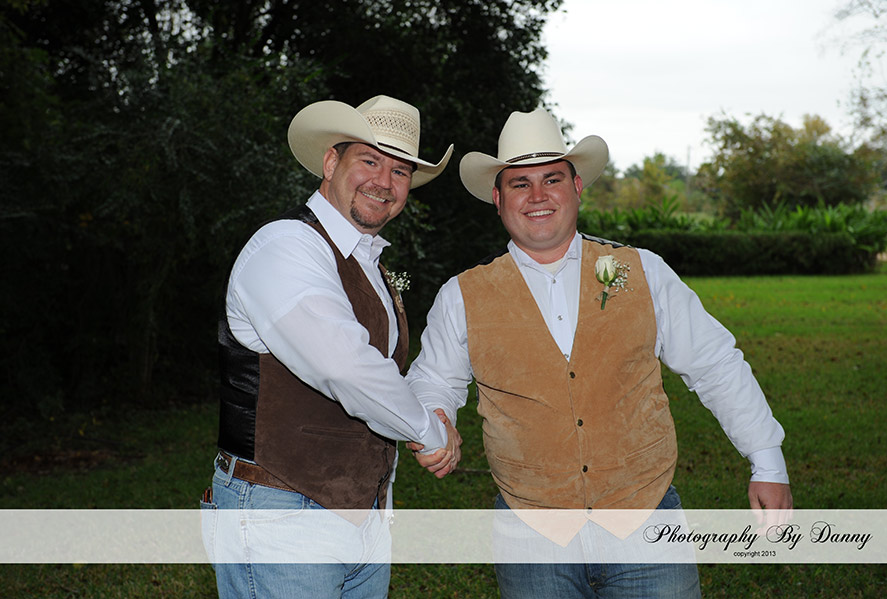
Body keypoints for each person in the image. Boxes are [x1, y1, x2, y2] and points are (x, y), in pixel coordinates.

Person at [405, 108, 792, 598]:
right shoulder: (462, 295)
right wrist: (434, 418)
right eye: (521, 184)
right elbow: (434, 381)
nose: (538, 196)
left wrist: (767, 462)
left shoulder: (643, 271)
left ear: (577, 187)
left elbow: (715, 363)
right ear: (498, 199)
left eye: (552, 179)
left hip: (646, 521)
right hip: (532, 536)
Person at [204, 94, 461, 599]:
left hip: (361, 517)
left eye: (400, 171)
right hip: (281, 513)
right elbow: (345, 366)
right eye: (369, 161)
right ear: (329, 163)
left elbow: (385, 375)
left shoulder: (368, 262)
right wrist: (430, 432)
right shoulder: (286, 245)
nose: (384, 182)